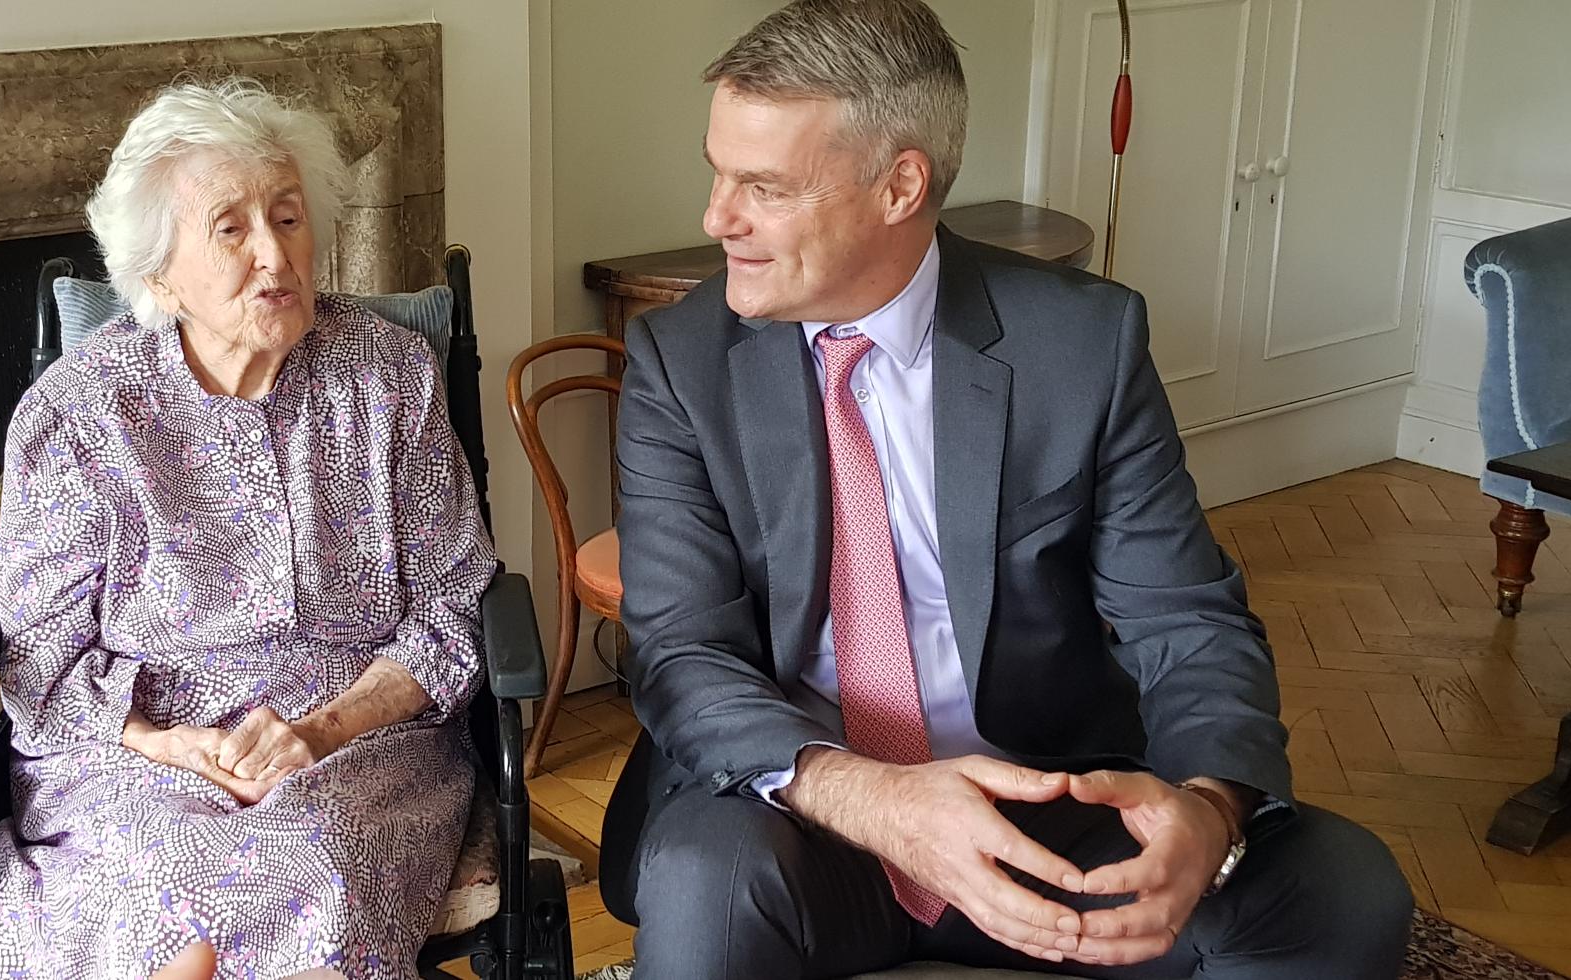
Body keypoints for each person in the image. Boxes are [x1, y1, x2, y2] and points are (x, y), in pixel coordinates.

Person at [600, 2, 1414, 977]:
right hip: (805, 815)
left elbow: (1187, 617)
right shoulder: (680, 362)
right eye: (717, 171)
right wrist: (879, 801)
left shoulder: (1082, 345)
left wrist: (1208, 806)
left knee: (1341, 888)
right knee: (699, 886)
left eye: (762, 186)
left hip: (1045, 812)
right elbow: (682, 653)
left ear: (900, 184)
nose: (715, 216)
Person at [0, 78, 496, 980]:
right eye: (231, 228)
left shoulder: (388, 376)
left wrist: (322, 730)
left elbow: (454, 601)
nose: (274, 256)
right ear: (159, 273)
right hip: (136, 759)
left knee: (309, 884)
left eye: (287, 219)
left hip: (358, 749)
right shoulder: (80, 412)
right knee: (175, 929)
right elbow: (43, 649)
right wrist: (171, 744)